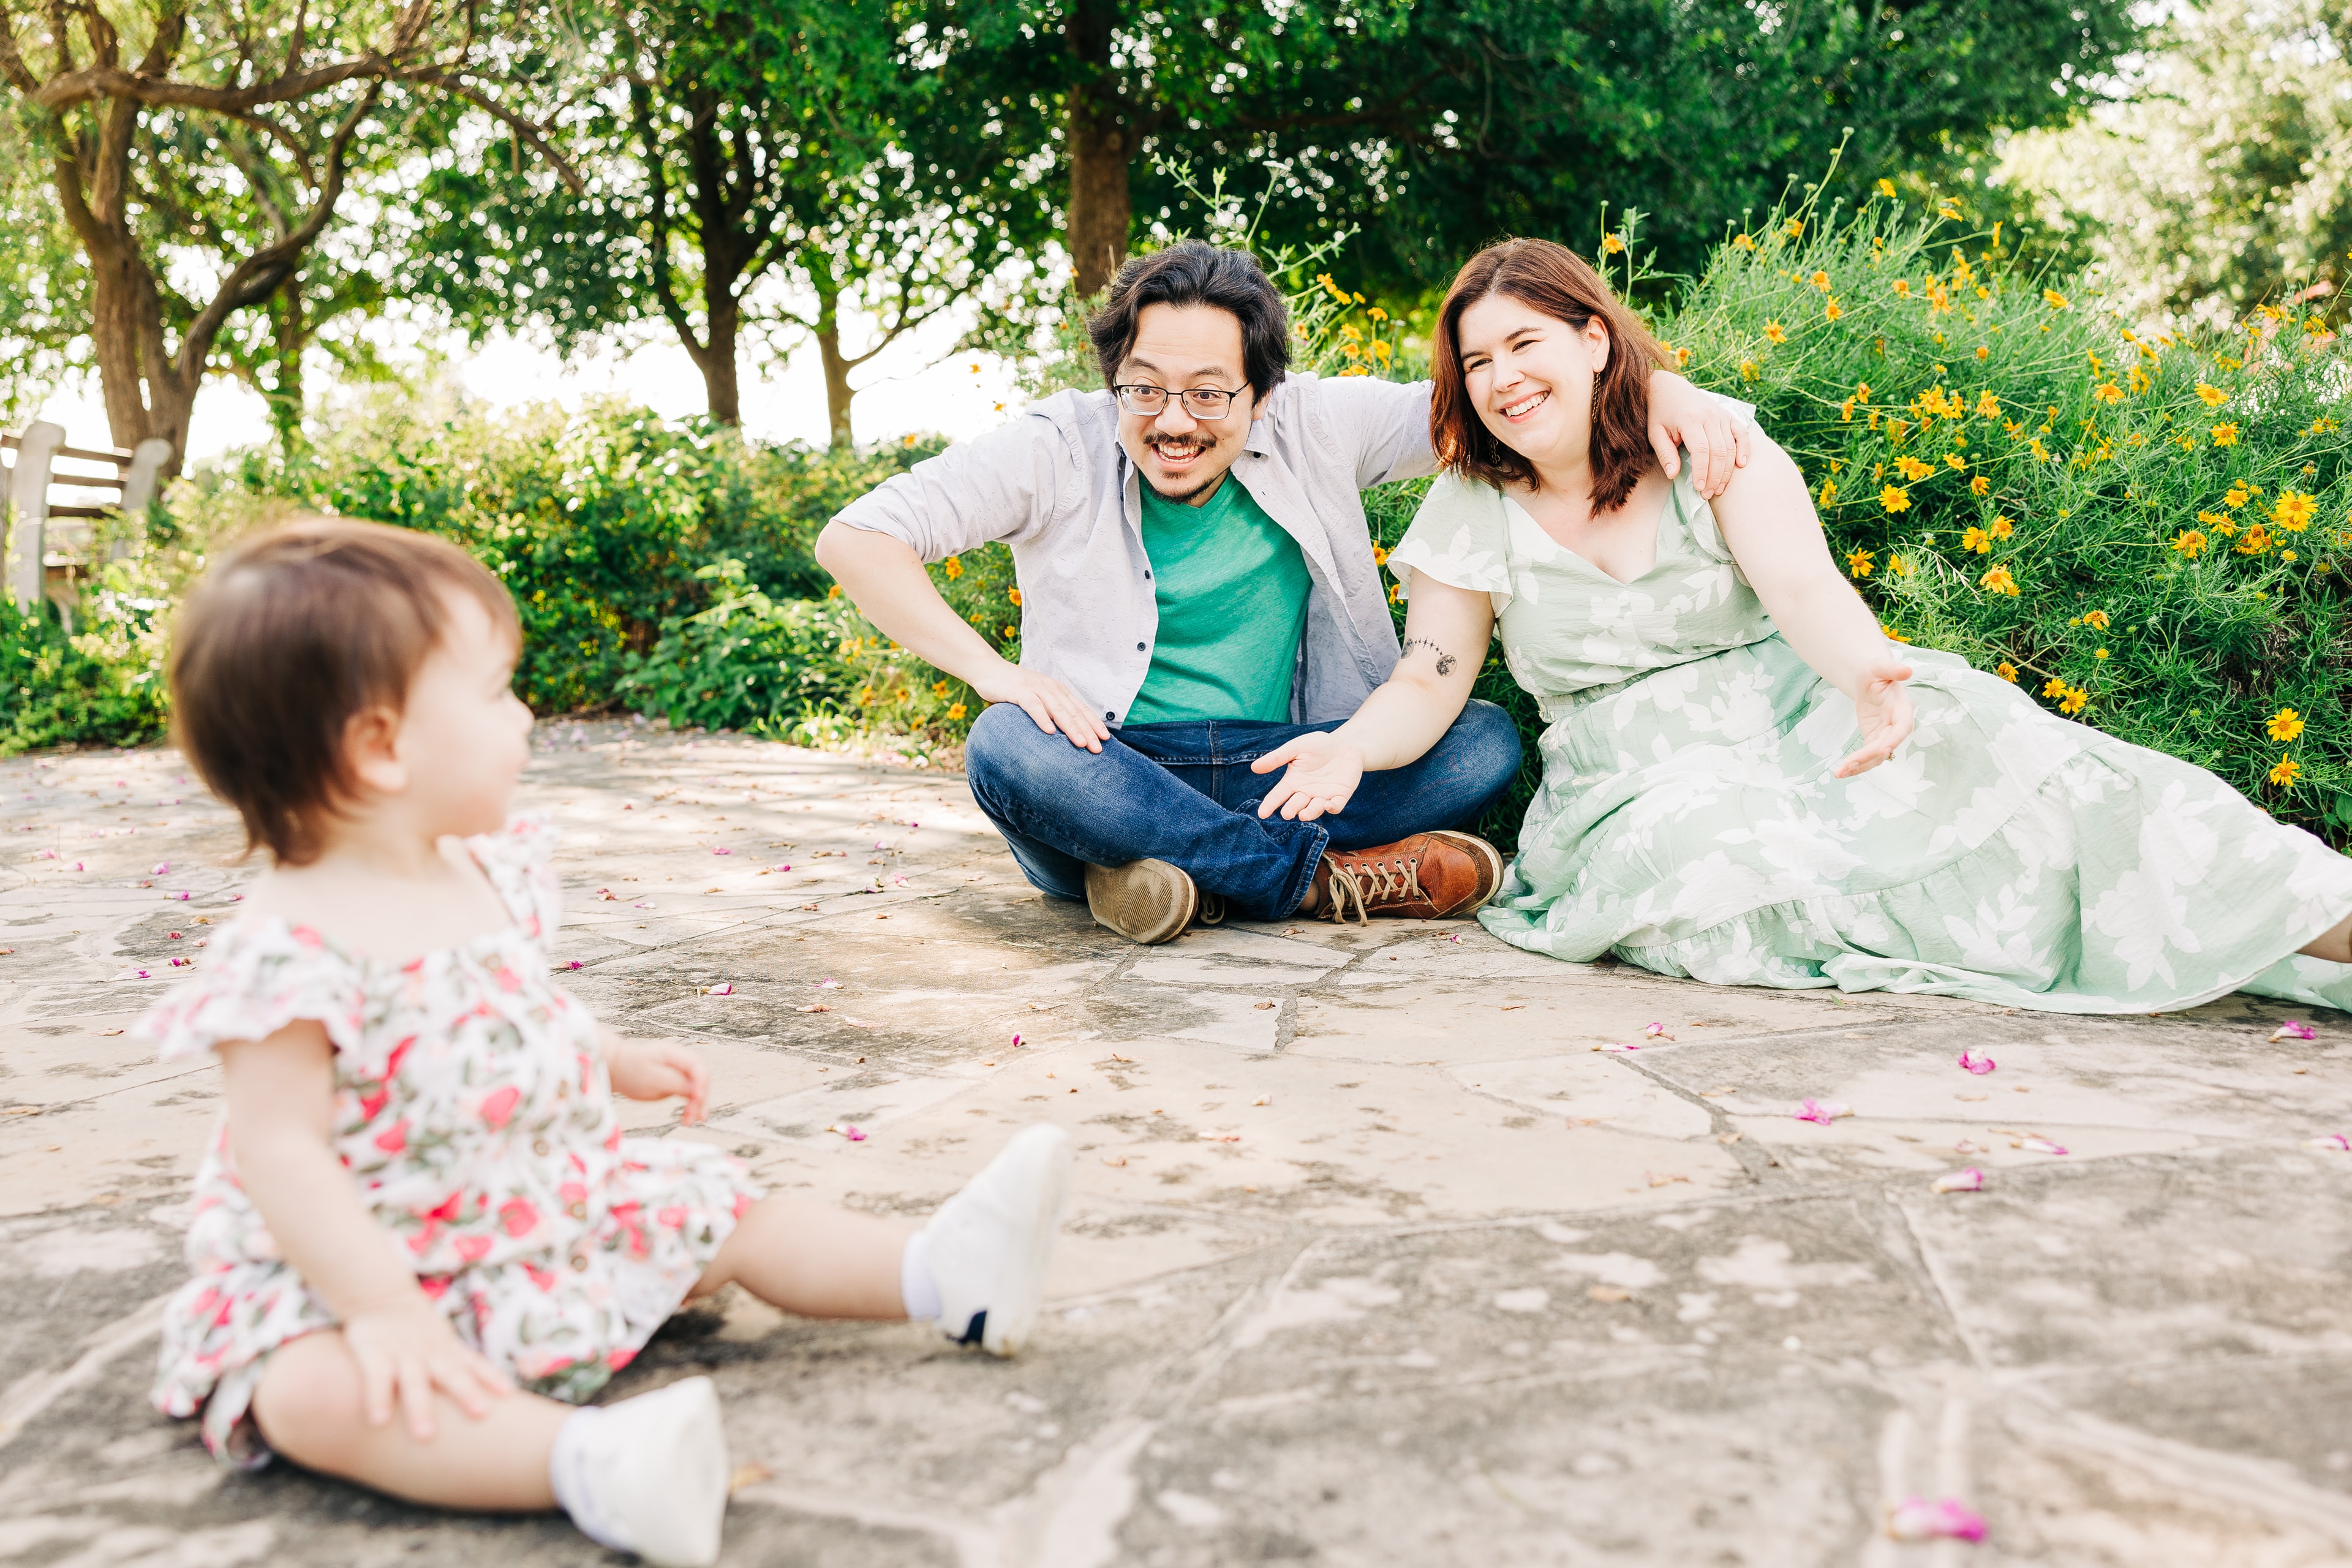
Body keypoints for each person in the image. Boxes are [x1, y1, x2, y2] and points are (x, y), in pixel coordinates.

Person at [140, 519, 1074, 1568]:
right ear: (378, 747)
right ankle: (590, 1465)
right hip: (361, 1272)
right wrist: (383, 1309)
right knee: (307, 1394)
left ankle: (943, 1275)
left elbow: (509, 1003)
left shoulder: (473, 869)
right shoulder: (289, 952)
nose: (526, 715)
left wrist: (607, 1052)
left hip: (523, 1215)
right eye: (496, 693)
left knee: (723, 1210)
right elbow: (280, 1154)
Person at [1256, 236, 2352, 1012]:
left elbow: (1807, 592)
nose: (1501, 379)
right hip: (1636, 777)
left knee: (2014, 751)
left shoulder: (1714, 446)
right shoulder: (1470, 510)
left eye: (1524, 344)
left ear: (1594, 340)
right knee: (1728, 862)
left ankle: (2315, 917)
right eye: (1476, 362)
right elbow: (1434, 678)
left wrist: (1874, 678)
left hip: (1797, 705)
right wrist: (1353, 746)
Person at [817, 239, 1754, 944]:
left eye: (1210, 396)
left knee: (1479, 741)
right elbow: (856, 538)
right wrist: (995, 674)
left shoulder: (1322, 422)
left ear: (1264, 393)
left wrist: (1664, 392)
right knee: (1005, 746)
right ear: (1116, 381)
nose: (1173, 423)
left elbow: (1495, 403)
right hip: (1108, 765)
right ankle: (1315, 885)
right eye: (1144, 391)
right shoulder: (1054, 445)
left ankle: (1179, 874)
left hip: (1288, 771)